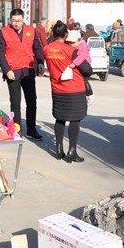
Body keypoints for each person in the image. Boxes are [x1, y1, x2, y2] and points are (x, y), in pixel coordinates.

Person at [0, 8, 45, 140]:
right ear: (10, 20)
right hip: (13, 71)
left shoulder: (30, 30)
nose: (16, 23)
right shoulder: (4, 32)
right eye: (14, 21)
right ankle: (17, 128)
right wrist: (6, 70)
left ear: (23, 20)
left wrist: (40, 62)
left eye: (19, 21)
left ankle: (31, 129)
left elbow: (37, 47)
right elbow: (0, 53)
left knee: (32, 101)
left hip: (28, 70)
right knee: (15, 102)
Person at [44, 22, 89, 162]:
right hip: (74, 88)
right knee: (75, 119)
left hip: (57, 88)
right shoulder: (71, 50)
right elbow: (87, 69)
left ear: (53, 34)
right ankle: (72, 151)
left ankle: (58, 149)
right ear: (65, 34)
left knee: (60, 118)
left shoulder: (47, 49)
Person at [66, 29, 94, 106]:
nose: (72, 45)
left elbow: (81, 56)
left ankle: (90, 95)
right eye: (70, 43)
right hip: (79, 64)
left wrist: (75, 63)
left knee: (84, 80)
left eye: (73, 43)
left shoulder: (83, 45)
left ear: (79, 40)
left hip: (84, 64)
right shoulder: (76, 45)